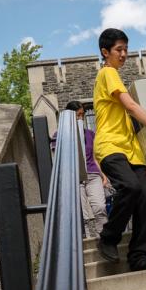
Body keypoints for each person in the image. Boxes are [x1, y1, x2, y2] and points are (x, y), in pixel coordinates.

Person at [93, 28, 146, 271]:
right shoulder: (108, 73)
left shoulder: (114, 75)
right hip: (110, 146)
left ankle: (139, 257)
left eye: (126, 49)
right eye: (119, 50)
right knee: (130, 187)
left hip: (132, 150)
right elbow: (130, 106)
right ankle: (108, 237)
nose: (124, 54)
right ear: (105, 52)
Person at [63, 101, 109, 238]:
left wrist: (103, 175)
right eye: (78, 115)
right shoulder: (60, 135)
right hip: (75, 177)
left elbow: (95, 157)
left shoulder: (90, 134)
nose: (81, 119)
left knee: (100, 207)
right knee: (82, 213)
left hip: (93, 175)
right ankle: (86, 238)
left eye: (82, 115)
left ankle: (105, 237)